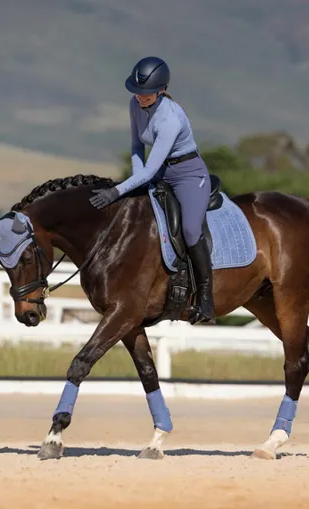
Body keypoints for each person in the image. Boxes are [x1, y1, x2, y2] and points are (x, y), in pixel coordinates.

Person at [89, 56, 215, 325]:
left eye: (146, 94)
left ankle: (205, 298)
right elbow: (137, 148)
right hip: (157, 172)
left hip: (188, 174)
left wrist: (116, 191)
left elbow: (150, 168)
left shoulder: (170, 118)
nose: (140, 98)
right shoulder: (135, 105)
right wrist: (135, 182)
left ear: (161, 90)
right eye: (137, 92)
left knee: (191, 229)